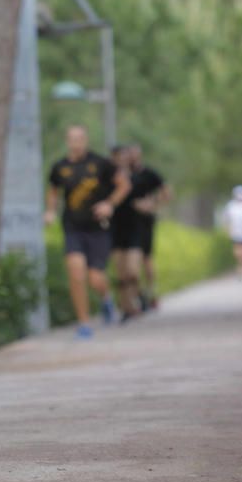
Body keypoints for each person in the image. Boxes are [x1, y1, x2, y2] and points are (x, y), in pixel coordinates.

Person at [45, 126, 131, 338]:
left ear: (86, 140)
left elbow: (124, 185)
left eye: (81, 138)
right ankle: (84, 323)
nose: (77, 143)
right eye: (73, 139)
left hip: (97, 228)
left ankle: (106, 298)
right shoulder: (59, 167)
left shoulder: (101, 163)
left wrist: (109, 204)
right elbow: (53, 191)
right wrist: (50, 211)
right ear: (67, 141)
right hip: (73, 227)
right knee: (76, 272)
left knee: (95, 278)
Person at [127, 144, 169, 310]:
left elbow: (167, 193)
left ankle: (151, 291)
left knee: (146, 258)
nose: (132, 157)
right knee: (131, 266)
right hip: (126, 223)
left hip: (144, 221)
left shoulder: (149, 174)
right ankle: (137, 296)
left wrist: (152, 203)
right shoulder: (121, 175)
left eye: (134, 153)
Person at [109, 145, 142, 321]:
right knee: (121, 274)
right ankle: (126, 307)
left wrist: (149, 205)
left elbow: (155, 193)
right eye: (118, 157)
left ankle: (137, 296)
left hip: (134, 228)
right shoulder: (108, 178)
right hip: (115, 228)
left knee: (133, 271)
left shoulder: (137, 177)